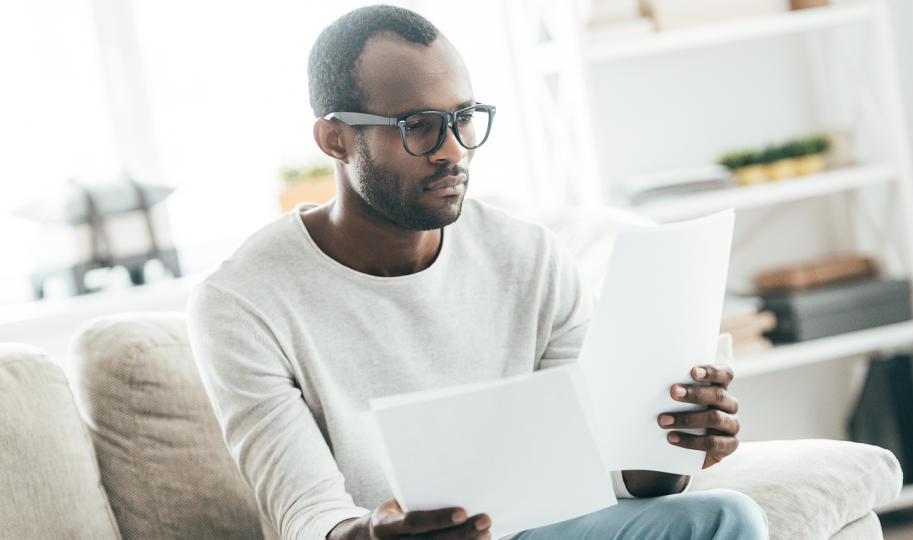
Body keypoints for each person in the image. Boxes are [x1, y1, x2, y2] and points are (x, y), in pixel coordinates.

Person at [187, 5, 768, 540]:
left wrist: (670, 447)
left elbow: (602, 470)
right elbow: (308, 514)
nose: (454, 151)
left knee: (726, 517)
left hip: (535, 530)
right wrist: (371, 534)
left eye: (463, 117)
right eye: (418, 125)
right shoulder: (240, 302)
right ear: (335, 140)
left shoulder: (530, 257)